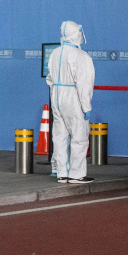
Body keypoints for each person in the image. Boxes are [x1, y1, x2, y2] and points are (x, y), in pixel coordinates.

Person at [46, 21, 95, 183]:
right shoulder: (81, 56)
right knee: (79, 136)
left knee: (59, 136)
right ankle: (76, 174)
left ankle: (61, 172)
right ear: (76, 35)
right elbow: (84, 84)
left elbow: (50, 79)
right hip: (73, 98)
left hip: (57, 97)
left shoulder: (55, 53)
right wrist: (86, 106)